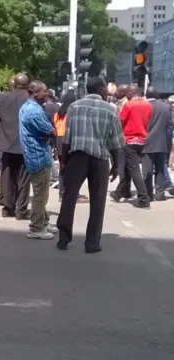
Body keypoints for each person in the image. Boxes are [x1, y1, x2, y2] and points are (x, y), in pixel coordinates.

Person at [56, 77, 124, 253]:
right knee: (98, 200)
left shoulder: (74, 107)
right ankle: (92, 243)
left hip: (76, 156)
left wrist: (63, 162)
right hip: (100, 159)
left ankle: (63, 238)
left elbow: (67, 137)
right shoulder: (111, 109)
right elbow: (116, 142)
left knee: (69, 197)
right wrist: (116, 165)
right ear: (101, 89)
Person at [0, 73, 31, 219]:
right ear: (27, 83)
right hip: (24, 142)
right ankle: (21, 210)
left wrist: (0, 126)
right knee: (23, 178)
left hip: (6, 143)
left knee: (7, 176)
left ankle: (7, 208)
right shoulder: (30, 98)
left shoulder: (3, 97)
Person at [19, 81, 57, 239]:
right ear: (35, 93)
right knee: (40, 195)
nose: (46, 94)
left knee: (41, 192)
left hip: (34, 154)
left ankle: (44, 222)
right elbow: (50, 131)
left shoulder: (26, 107)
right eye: (44, 92)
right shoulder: (34, 111)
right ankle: (36, 228)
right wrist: (48, 134)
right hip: (38, 156)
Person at [110, 84, 152, 208]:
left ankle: (144, 198)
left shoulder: (129, 105)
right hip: (142, 140)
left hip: (129, 140)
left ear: (130, 94)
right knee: (129, 167)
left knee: (134, 170)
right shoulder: (147, 105)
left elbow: (120, 121)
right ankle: (118, 193)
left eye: (128, 93)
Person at [143, 86, 172, 201]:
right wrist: (168, 143)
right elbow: (169, 127)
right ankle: (159, 193)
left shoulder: (144, 106)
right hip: (161, 142)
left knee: (147, 170)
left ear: (146, 95)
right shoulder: (165, 107)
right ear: (157, 95)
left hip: (146, 142)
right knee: (160, 169)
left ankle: (148, 194)